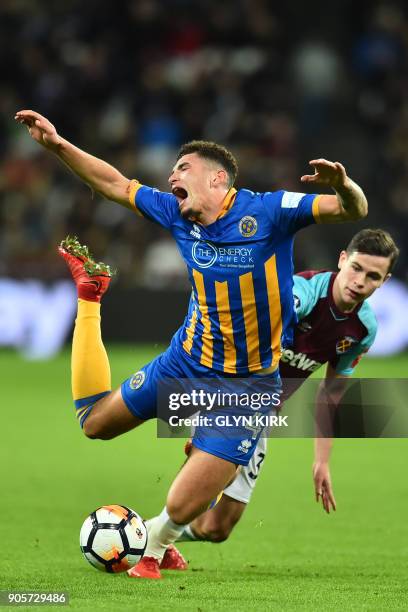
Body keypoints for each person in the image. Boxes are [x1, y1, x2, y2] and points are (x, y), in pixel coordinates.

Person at [15, 109, 368, 579]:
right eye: (173, 170)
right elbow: (116, 184)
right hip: (186, 361)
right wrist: (57, 145)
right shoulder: (177, 214)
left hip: (247, 388)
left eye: (183, 169)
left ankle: (157, 544)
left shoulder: (269, 210)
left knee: (185, 508)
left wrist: (343, 185)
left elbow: (353, 210)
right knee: (95, 424)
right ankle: (89, 296)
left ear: (218, 178)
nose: (171, 176)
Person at [165, 228, 399, 561]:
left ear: (384, 281)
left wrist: (322, 461)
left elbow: (331, 393)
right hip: (229, 388)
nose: (360, 280)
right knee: (221, 472)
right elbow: (253, 327)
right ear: (342, 260)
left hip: (264, 411)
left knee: (217, 527)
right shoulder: (302, 293)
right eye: (357, 268)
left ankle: (160, 537)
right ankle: (146, 545)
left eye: (373, 276)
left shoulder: (362, 330)